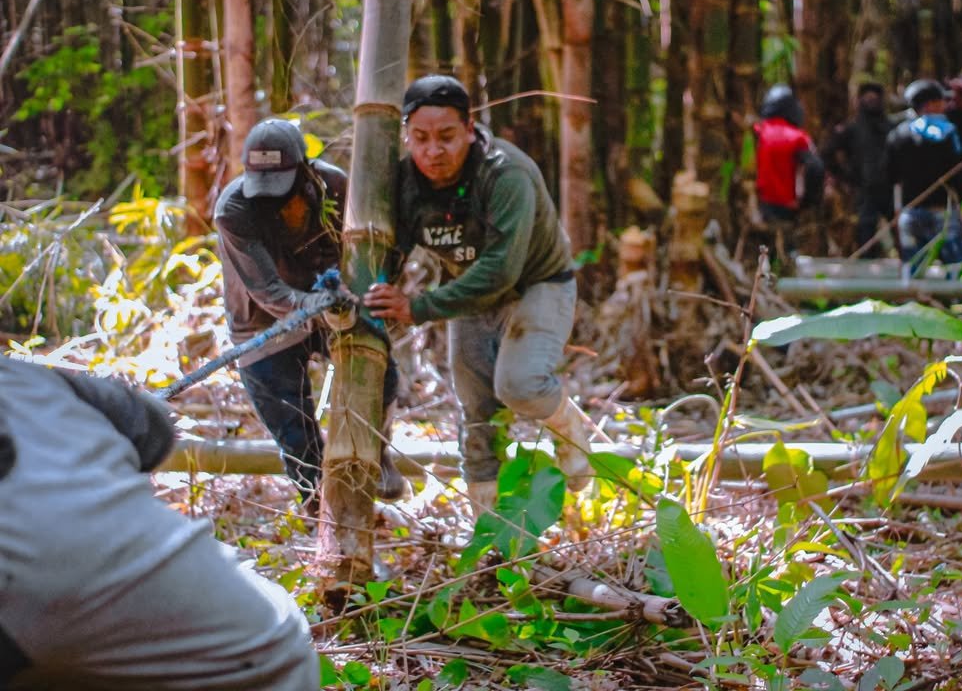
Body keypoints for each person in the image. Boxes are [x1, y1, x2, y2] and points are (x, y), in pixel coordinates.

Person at [0, 356, 319, 690]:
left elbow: (151, 427)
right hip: (258, 648)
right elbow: (152, 430)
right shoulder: (31, 384)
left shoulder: (27, 384)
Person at [362, 74, 590, 515]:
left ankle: (568, 424)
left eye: (447, 137)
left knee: (519, 385)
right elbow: (391, 251)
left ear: (470, 129)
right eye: (421, 138)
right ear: (406, 136)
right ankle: (487, 528)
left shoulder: (505, 173)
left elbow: (501, 268)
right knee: (476, 410)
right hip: (465, 288)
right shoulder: (405, 182)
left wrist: (419, 307)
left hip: (536, 284)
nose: (434, 151)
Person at [215, 117, 404, 509]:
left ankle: (378, 450)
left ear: (305, 170)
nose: (271, 199)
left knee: (381, 370)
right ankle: (324, 515)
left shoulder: (334, 187)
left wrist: (353, 294)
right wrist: (308, 305)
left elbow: (369, 250)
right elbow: (266, 289)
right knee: (295, 434)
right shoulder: (233, 211)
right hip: (260, 324)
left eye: (281, 187)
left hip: (330, 301)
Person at [884, 79, 962, 271]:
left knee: (913, 268)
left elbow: (891, 177)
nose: (945, 106)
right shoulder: (948, 132)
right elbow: (958, 174)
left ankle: (916, 299)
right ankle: (956, 300)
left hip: (910, 212)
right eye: (941, 101)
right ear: (930, 104)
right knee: (955, 267)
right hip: (944, 212)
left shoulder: (897, 134)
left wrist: (897, 211)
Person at [752, 84, 824, 261]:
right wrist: (808, 200)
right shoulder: (798, 137)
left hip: (759, 208)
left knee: (766, 257)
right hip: (788, 207)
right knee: (786, 255)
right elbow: (816, 169)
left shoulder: (758, 131)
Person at [822, 81, 894, 256]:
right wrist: (845, 177)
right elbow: (828, 153)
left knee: (898, 226)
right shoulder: (852, 128)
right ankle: (866, 264)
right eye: (867, 97)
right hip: (865, 188)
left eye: (874, 97)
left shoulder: (890, 127)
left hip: (891, 188)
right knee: (865, 229)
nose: (871, 101)